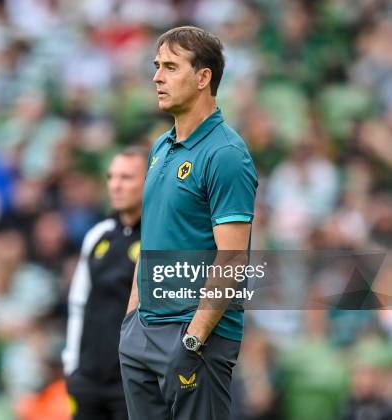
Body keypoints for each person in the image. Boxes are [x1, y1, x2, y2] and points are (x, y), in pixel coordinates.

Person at [119, 26, 258, 420]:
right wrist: (132, 320)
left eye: (170, 67)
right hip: (144, 331)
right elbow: (151, 240)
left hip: (195, 335)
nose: (156, 77)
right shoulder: (162, 147)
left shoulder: (226, 154)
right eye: (156, 66)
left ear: (203, 78)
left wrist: (193, 340)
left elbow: (232, 260)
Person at [63, 147, 148, 420]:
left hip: (131, 383)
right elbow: (79, 302)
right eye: (111, 177)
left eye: (126, 178)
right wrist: (72, 365)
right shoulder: (98, 236)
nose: (116, 185)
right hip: (89, 379)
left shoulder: (159, 238)